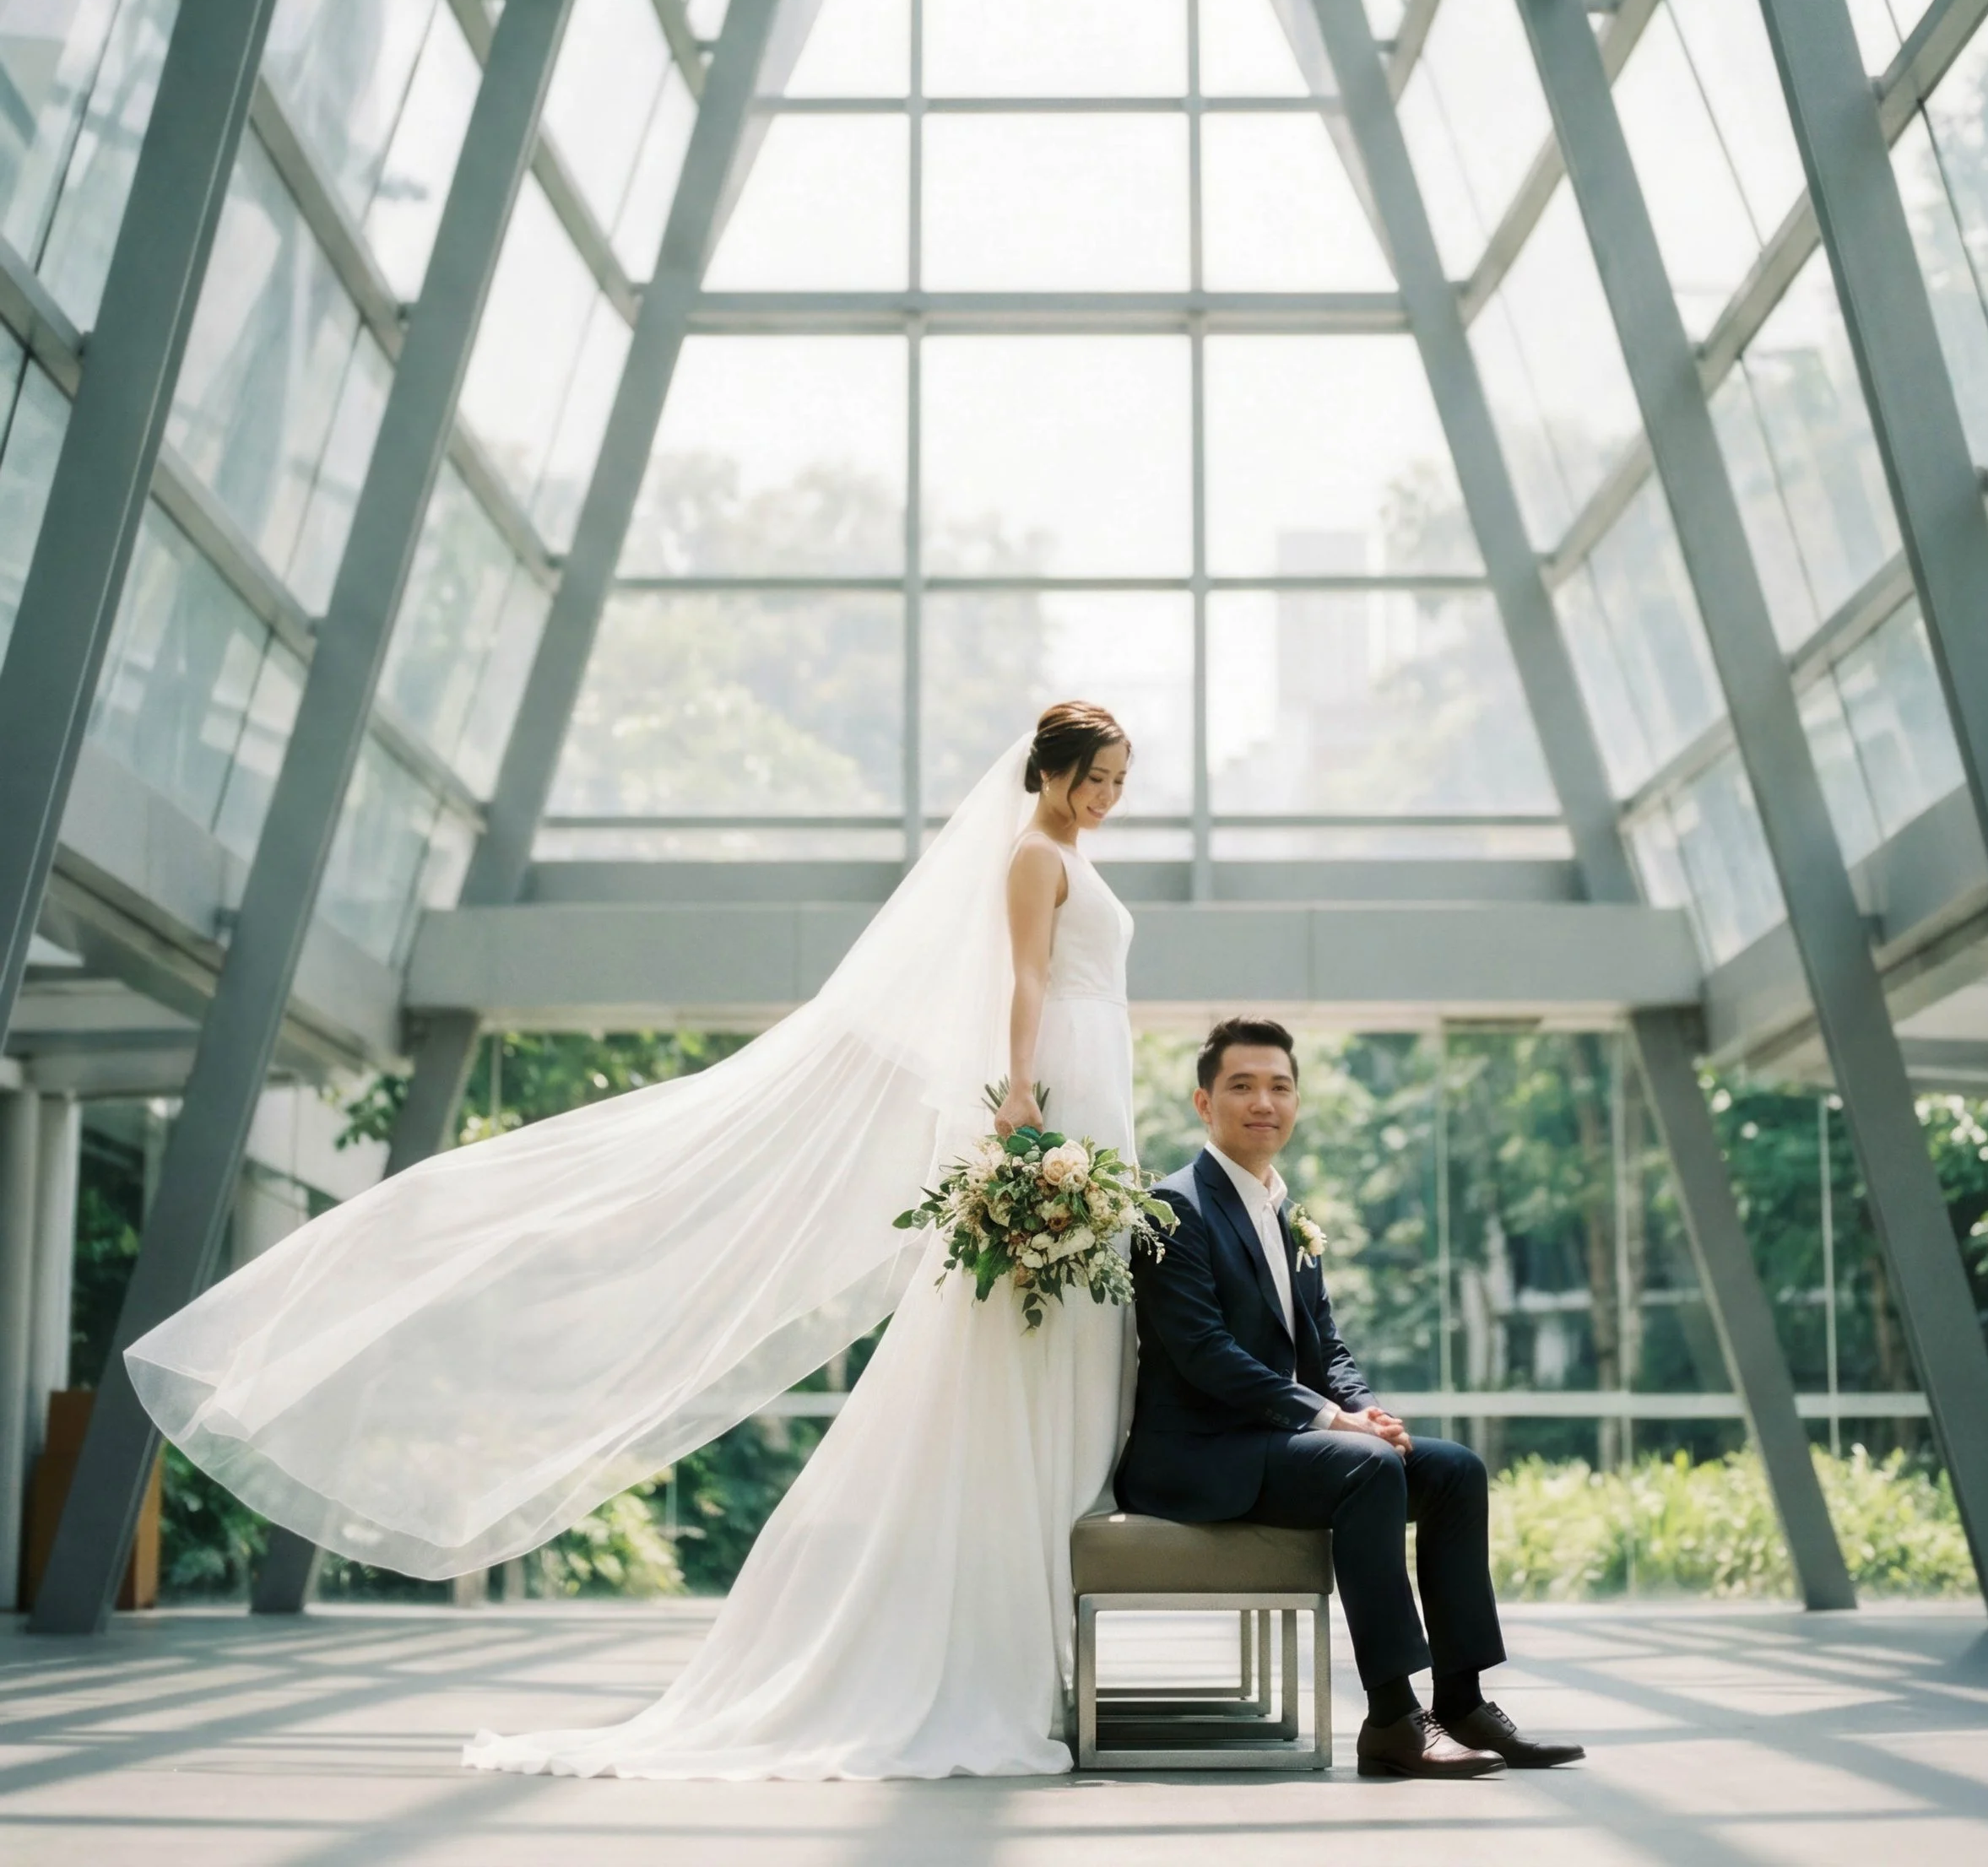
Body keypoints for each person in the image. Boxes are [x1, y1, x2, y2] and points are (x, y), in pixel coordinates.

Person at [127, 705, 1140, 1780]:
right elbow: (1022, 979)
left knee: (1063, 1342)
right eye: (1099, 776)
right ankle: (991, 1650)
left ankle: (1030, 1648)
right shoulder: (1033, 854)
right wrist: (1021, 1088)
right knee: (1013, 1349)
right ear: (1053, 768)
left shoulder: (1071, 851)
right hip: (1056, 1085)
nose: (1109, 797)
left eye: (1121, 781)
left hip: (1096, 1081)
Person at [1119, 1017, 1585, 1781]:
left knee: (1453, 1469)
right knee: (1364, 1468)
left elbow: (1325, 1346)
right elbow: (1205, 1354)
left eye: (1279, 1085)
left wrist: (1371, 1414)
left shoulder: (1289, 1214)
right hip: (1197, 1456)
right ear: (1205, 1103)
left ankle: (1462, 1698)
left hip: (1283, 1444)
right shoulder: (1172, 1210)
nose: (1263, 1100)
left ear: (1297, 1100)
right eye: (1242, 1085)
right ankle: (1394, 1718)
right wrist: (1335, 1421)